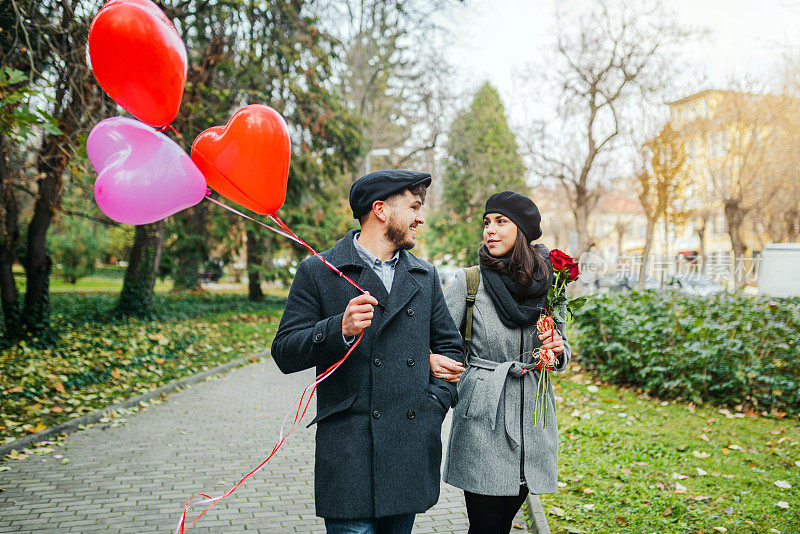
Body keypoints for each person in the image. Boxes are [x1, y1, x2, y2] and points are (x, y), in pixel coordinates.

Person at [271, 170, 464, 534]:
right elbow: (284, 352)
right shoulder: (319, 271)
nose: (420, 218)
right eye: (414, 207)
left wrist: (432, 406)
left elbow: (451, 349)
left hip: (408, 446)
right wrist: (337, 329)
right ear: (381, 210)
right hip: (349, 452)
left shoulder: (424, 276)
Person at [430, 191, 571, 534]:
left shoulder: (552, 284)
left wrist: (556, 351)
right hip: (484, 416)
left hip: (533, 422)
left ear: (521, 230)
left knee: (503, 522)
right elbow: (436, 342)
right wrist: (436, 364)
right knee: (486, 525)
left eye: (501, 222)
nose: (490, 230)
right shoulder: (469, 282)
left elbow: (562, 344)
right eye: (487, 222)